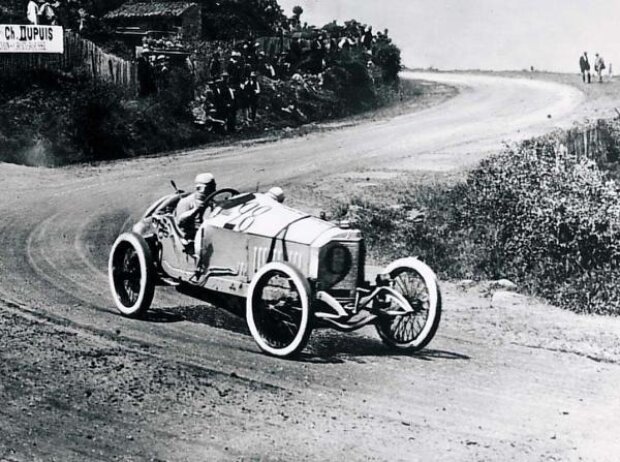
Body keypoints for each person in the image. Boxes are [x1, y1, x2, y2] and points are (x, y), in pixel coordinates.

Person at [175, 173, 217, 240]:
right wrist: (195, 210)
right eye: (210, 188)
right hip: (191, 239)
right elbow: (180, 224)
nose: (214, 190)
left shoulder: (211, 202)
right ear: (199, 188)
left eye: (214, 187)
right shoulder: (186, 202)